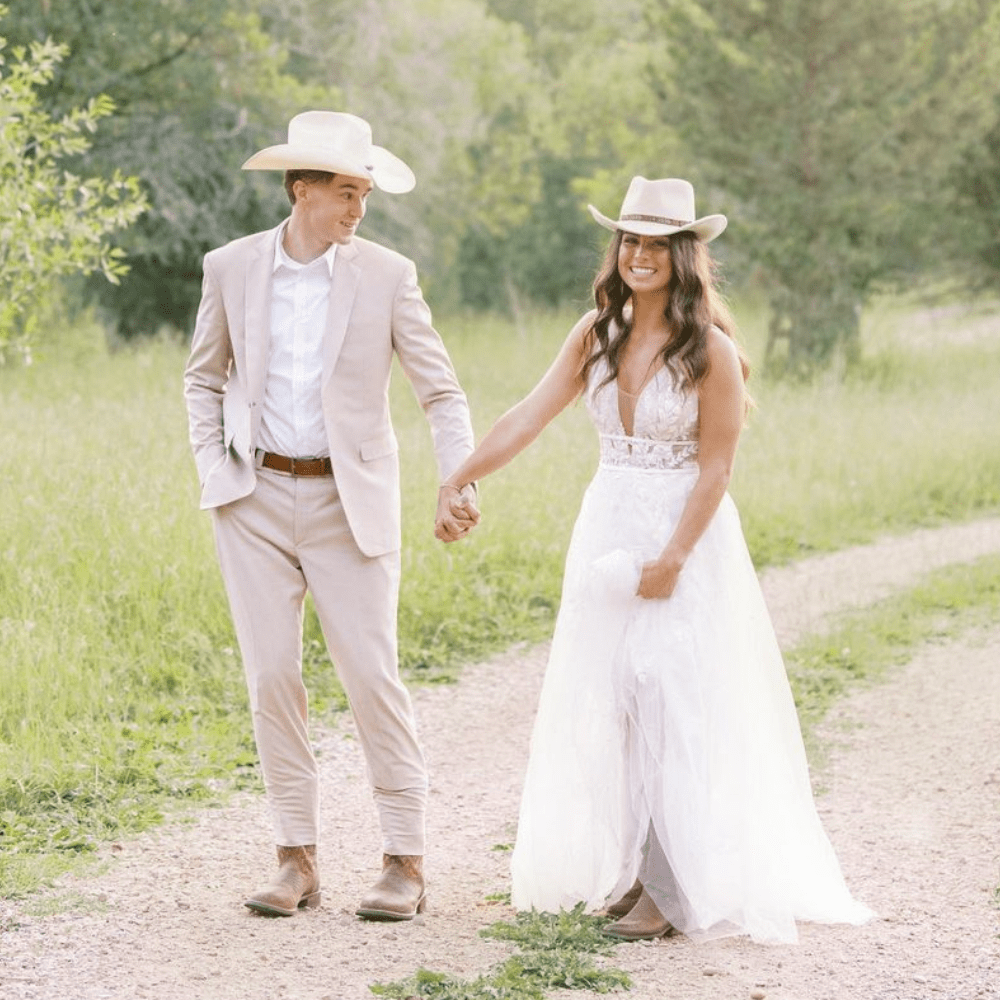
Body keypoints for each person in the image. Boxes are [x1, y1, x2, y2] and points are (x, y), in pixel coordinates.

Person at [436, 176, 871, 943]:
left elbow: (716, 470)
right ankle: (642, 873)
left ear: (684, 257)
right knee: (620, 706)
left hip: (683, 537)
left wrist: (672, 557)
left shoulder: (711, 351)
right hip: (607, 525)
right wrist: (463, 474)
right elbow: (531, 413)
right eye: (629, 240)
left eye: (657, 244)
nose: (639, 254)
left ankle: (672, 892)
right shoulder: (594, 335)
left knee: (673, 702)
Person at [184, 111, 479, 921]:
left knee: (370, 676)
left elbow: (441, 391)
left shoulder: (388, 274)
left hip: (352, 503)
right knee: (272, 676)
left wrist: (460, 480)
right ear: (299, 187)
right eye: (345, 190)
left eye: (365, 192)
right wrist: (216, 467)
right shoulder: (230, 267)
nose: (358, 208)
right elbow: (202, 378)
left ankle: (404, 861)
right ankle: (295, 857)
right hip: (252, 500)